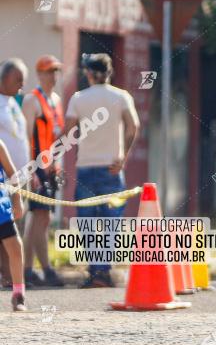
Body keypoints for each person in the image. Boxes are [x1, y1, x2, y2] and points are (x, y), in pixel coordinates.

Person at [64, 53, 140, 288]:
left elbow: (68, 132)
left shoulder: (78, 98)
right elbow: (133, 126)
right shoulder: (121, 96)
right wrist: (123, 157)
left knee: (87, 223)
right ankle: (104, 272)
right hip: (112, 169)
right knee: (111, 223)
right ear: (109, 73)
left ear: (88, 73)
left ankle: (94, 272)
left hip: (86, 166)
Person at [21, 55, 65, 288]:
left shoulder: (56, 99)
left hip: (50, 168)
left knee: (39, 219)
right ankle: (46, 269)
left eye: (56, 71)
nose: (53, 76)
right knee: (41, 217)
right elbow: (26, 136)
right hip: (36, 167)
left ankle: (27, 269)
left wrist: (56, 165)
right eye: (49, 71)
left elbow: (56, 138)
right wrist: (30, 171)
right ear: (39, 74)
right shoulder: (32, 100)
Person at [0, 58, 30, 292]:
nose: (22, 83)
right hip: (6, 180)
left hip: (18, 175)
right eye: (18, 78)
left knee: (11, 232)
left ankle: (13, 281)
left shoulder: (13, 103)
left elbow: (20, 139)